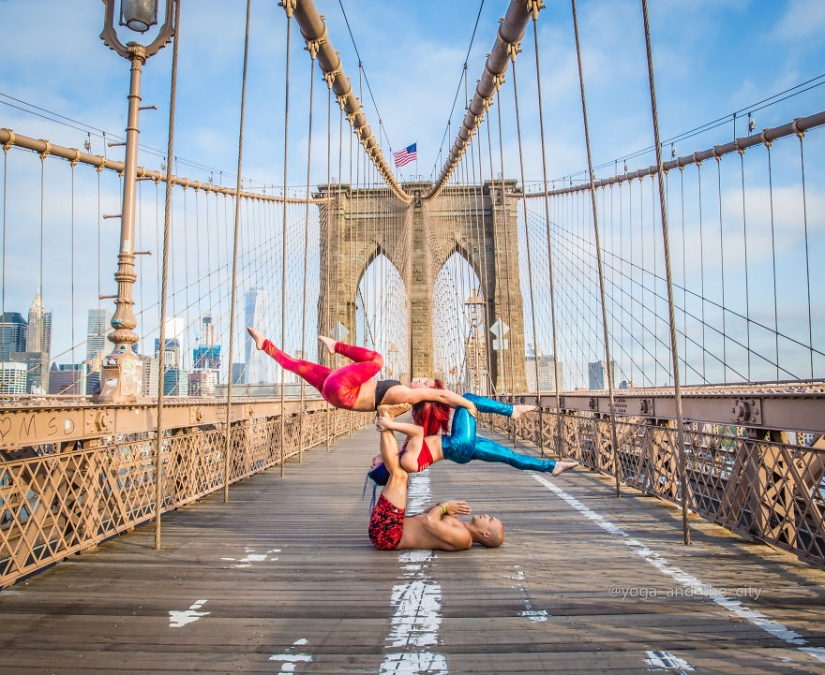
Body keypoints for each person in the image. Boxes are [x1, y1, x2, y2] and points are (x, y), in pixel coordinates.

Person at [246, 327, 477, 416]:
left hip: (343, 389)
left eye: (426, 383)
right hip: (333, 395)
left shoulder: (410, 397)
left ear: (426, 395)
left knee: (377, 360)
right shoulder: (401, 404)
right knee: (299, 365)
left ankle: (336, 346)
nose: (420, 381)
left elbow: (442, 396)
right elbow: (442, 399)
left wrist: (467, 404)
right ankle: (265, 345)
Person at [369, 405, 505, 551]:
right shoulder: (459, 523)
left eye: (490, 519)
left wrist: (445, 506)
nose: (486, 515)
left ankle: (385, 417)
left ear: (485, 534)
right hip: (392, 526)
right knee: (400, 472)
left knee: (399, 475)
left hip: (388, 535)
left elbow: (429, 522)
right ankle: (387, 418)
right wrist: (443, 508)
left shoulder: (464, 538)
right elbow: (426, 513)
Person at [368, 394, 578, 484]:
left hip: (460, 450)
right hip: (458, 445)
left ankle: (552, 467)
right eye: (373, 464)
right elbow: (418, 432)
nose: (373, 459)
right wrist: (390, 425)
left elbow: (419, 429)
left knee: (510, 457)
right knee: (467, 399)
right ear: (382, 467)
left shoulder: (405, 457)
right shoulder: (406, 462)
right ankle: (511, 410)